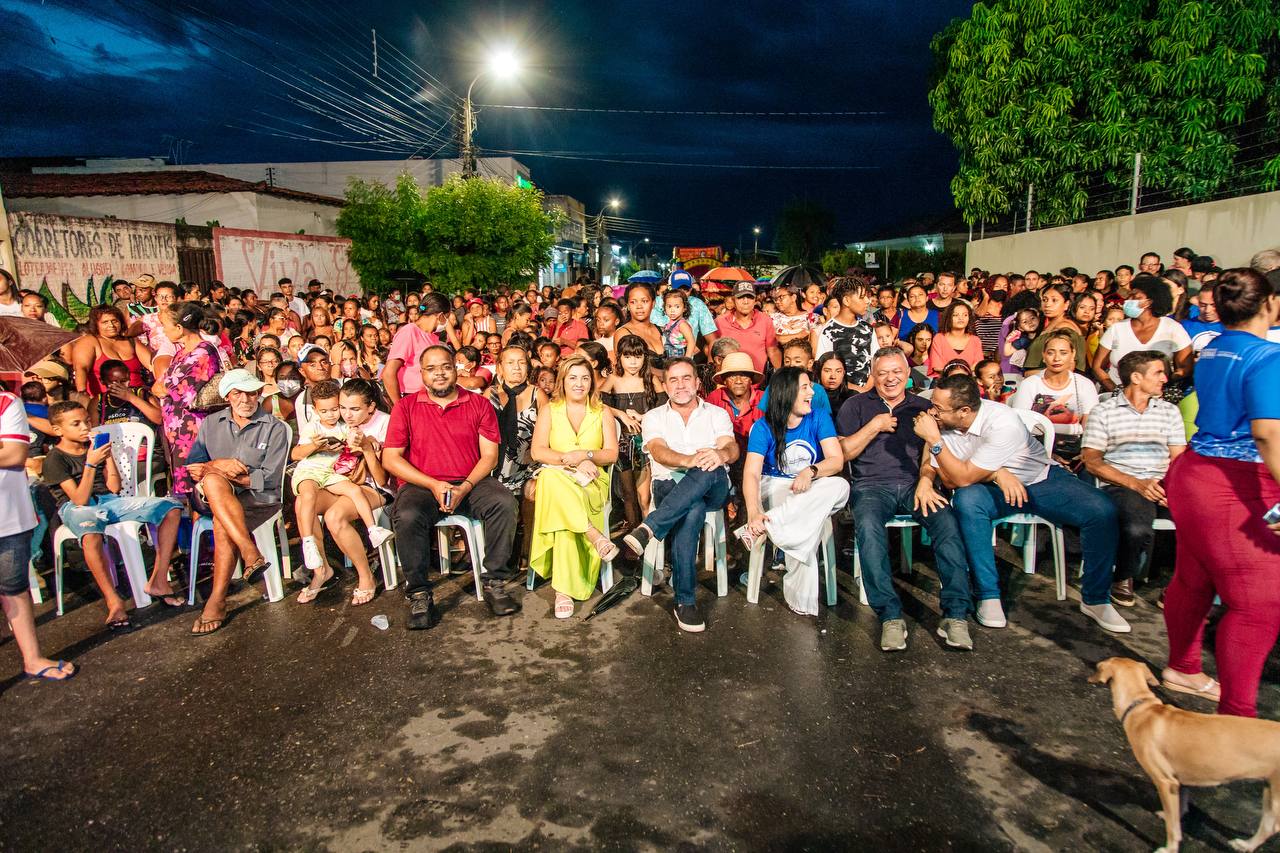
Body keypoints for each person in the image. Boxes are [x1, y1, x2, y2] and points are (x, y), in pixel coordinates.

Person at [914, 374, 1129, 634]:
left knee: (1101, 510)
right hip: (988, 489)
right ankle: (988, 594)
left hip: (1039, 480)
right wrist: (995, 474)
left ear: (964, 411)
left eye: (938, 408)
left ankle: (1096, 599)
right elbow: (951, 481)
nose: (931, 412)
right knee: (968, 501)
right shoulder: (943, 425)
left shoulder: (1002, 422)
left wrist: (935, 441)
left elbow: (961, 474)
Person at [1162, 268, 1280, 717]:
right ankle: (1238, 717)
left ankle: (1185, 667)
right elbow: (1268, 433)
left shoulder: (1211, 349)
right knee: (1259, 601)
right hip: (1240, 485)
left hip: (1195, 476)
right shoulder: (1269, 357)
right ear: (1268, 304)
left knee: (1194, 578)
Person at [837, 347, 973, 651]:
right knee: (869, 529)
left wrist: (927, 481)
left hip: (917, 484)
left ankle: (955, 615)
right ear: (872, 375)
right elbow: (843, 453)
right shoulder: (855, 405)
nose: (890, 378)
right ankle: (890, 616)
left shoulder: (924, 407)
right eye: (882, 372)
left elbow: (933, 449)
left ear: (908, 374)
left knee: (948, 524)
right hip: (871, 486)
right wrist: (874, 425)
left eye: (897, 371)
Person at [382, 346, 520, 628]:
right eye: (431, 369)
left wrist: (465, 486)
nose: (439, 374)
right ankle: (419, 593)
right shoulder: (406, 407)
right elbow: (391, 458)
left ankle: (494, 580)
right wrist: (433, 484)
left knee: (503, 503)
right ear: (422, 375)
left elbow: (489, 456)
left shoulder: (478, 404)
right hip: (423, 483)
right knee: (407, 515)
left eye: (445, 367)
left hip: (471, 480)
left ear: (456, 369)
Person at [621, 358, 738, 633]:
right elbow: (659, 450)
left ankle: (648, 528)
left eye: (686, 378)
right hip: (668, 484)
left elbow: (731, 448)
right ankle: (685, 601)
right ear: (664, 385)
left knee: (709, 468)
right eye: (673, 380)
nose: (680, 385)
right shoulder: (654, 417)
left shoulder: (716, 414)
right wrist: (689, 460)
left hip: (714, 485)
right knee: (692, 508)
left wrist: (719, 455)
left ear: (698, 383)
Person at [43, 401, 185, 627]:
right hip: (77, 507)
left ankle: (158, 580)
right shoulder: (55, 459)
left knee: (170, 508)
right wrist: (90, 464)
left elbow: (114, 487)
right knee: (91, 533)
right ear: (59, 430)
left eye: (87, 421)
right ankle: (114, 601)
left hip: (109, 500)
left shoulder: (95, 448)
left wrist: (107, 458)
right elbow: (79, 499)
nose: (84, 427)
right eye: (76, 424)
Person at [183, 370, 291, 634]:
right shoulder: (210, 424)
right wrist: (218, 466)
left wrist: (232, 475)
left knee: (222, 519)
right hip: (216, 497)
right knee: (213, 483)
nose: (246, 399)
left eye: (252, 393)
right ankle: (248, 550)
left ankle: (217, 601)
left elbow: (269, 478)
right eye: (238, 393)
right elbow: (193, 466)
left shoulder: (274, 427)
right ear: (227, 396)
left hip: (259, 500)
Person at [737, 366, 849, 616]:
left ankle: (772, 524)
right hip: (776, 486)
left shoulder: (819, 417)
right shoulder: (762, 427)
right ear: (787, 393)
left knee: (840, 485)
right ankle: (801, 599)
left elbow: (836, 461)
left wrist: (810, 471)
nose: (812, 391)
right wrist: (754, 512)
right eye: (805, 387)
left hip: (810, 486)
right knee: (805, 523)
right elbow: (752, 473)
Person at [1081, 350, 1186, 606]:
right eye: (1159, 372)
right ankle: (1123, 576)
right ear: (1136, 377)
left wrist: (1173, 488)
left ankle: (1181, 585)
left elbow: (1179, 458)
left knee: (1203, 524)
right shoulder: (1104, 412)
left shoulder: (1169, 412)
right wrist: (1135, 483)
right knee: (1137, 526)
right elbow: (1092, 461)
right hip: (1121, 482)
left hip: (1161, 482)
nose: (1165, 378)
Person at [527, 356, 620, 618]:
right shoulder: (550, 410)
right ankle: (592, 536)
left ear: (592, 382)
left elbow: (611, 454)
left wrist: (585, 456)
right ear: (563, 382)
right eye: (573, 378)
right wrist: (571, 463)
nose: (579, 383)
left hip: (592, 483)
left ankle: (562, 590)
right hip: (559, 476)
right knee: (552, 481)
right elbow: (538, 451)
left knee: (554, 492)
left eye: (585, 378)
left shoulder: (602, 412)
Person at [291, 379, 394, 601]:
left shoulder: (384, 423)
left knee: (334, 516)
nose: (347, 414)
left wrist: (366, 447)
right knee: (302, 503)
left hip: (372, 486)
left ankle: (365, 575)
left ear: (371, 407)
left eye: (355, 409)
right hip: (337, 481)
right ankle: (322, 570)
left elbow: (382, 479)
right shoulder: (335, 423)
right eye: (343, 407)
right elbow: (300, 453)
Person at [0, 391, 74, 679]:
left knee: (14, 586)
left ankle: (32, 659)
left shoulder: (7, 402)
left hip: (8, 517)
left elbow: (15, 454)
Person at [155, 302, 223, 503]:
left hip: (192, 427)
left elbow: (179, 391)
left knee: (197, 482)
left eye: (165, 326)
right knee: (185, 486)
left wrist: (163, 387)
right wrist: (163, 387)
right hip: (175, 427)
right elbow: (161, 385)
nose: (163, 331)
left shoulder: (203, 351)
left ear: (179, 328)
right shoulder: (180, 352)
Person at [1008, 330, 1099, 466]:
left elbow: (1090, 426)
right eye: (1051, 353)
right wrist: (1048, 455)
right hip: (1036, 449)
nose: (1057, 358)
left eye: (1063, 353)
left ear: (1072, 355)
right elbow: (1020, 427)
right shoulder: (1030, 384)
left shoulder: (1085, 384)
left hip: (1075, 449)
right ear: (1044, 356)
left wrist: (1085, 452)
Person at [601, 334, 663, 532]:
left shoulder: (651, 379)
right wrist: (621, 414)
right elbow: (596, 404)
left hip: (645, 443)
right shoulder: (613, 379)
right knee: (628, 494)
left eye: (638, 356)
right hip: (621, 444)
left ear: (645, 357)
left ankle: (648, 537)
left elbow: (665, 409)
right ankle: (633, 536)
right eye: (628, 357)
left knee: (644, 496)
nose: (633, 362)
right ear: (619, 357)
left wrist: (643, 416)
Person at [1093, 274, 1193, 392]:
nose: (1128, 300)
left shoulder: (1173, 328)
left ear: (1149, 302)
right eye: (1129, 296)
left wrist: (1161, 383)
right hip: (1118, 395)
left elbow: (1185, 367)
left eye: (1135, 296)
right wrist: (1116, 390)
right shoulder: (1117, 329)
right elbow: (1097, 366)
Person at [383, 293, 451, 404]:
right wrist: (399, 406)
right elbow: (388, 373)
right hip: (411, 398)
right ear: (440, 316)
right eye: (447, 318)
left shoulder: (433, 337)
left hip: (430, 396)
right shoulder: (409, 332)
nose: (447, 323)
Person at [815, 277, 874, 392]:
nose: (868, 301)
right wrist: (856, 390)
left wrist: (867, 389)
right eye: (862, 297)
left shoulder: (868, 329)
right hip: (840, 397)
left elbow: (876, 364)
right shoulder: (828, 331)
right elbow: (823, 370)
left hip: (868, 395)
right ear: (846, 301)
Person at [72, 305, 146, 396]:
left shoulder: (131, 341)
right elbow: (81, 369)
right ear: (96, 324)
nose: (111, 325)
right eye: (105, 322)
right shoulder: (89, 341)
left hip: (137, 398)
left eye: (114, 321)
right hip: (105, 402)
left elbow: (152, 364)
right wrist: (82, 394)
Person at [716, 281, 782, 374]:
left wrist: (781, 376)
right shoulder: (720, 322)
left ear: (755, 300)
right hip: (728, 381)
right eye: (741, 297)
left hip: (759, 383)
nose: (746, 301)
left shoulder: (765, 320)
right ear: (733, 300)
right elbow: (712, 351)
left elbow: (773, 350)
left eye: (750, 297)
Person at [1023, 283, 1088, 374]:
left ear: (1066, 304)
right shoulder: (1050, 325)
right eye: (1045, 300)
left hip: (1053, 384)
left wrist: (1031, 374)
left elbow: (1069, 367)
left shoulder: (1066, 328)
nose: (1048, 304)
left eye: (1054, 300)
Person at [927, 302, 984, 376]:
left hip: (969, 381)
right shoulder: (939, 338)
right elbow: (937, 367)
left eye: (965, 315)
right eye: (956, 315)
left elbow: (978, 366)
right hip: (944, 381)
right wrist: (963, 371)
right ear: (949, 318)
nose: (961, 318)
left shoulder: (975, 340)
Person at [660, 290, 695, 359]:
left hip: (679, 357)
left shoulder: (682, 324)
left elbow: (691, 342)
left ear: (684, 308)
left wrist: (687, 359)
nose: (672, 310)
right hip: (668, 356)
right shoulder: (669, 324)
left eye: (677, 307)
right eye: (669, 306)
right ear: (665, 308)